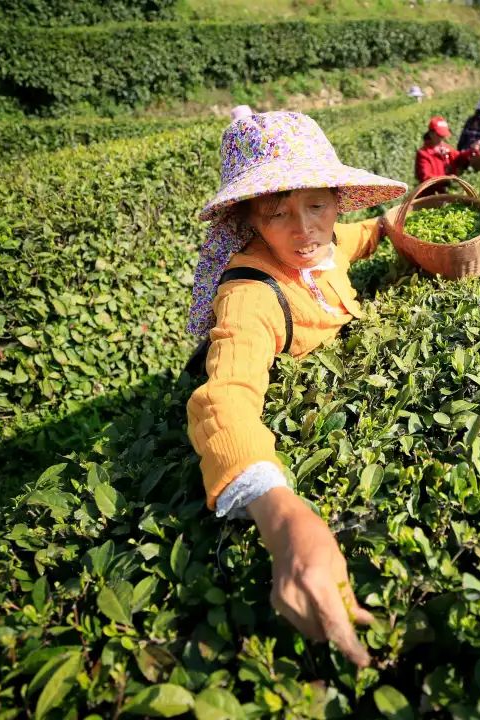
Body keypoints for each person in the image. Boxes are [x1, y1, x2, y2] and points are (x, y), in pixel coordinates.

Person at [185, 110, 407, 668]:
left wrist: (387, 227)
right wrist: (285, 520)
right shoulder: (251, 297)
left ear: (336, 199)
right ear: (250, 221)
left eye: (317, 205)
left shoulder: (323, 243)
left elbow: (352, 240)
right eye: (277, 211)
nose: (304, 229)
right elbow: (226, 399)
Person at [414, 115, 480, 196]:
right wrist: (446, 179)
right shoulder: (423, 153)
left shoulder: (446, 147)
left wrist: (471, 151)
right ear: (431, 134)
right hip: (431, 196)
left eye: (443, 136)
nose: (442, 138)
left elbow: (458, 158)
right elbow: (425, 177)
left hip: (449, 192)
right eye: (439, 135)